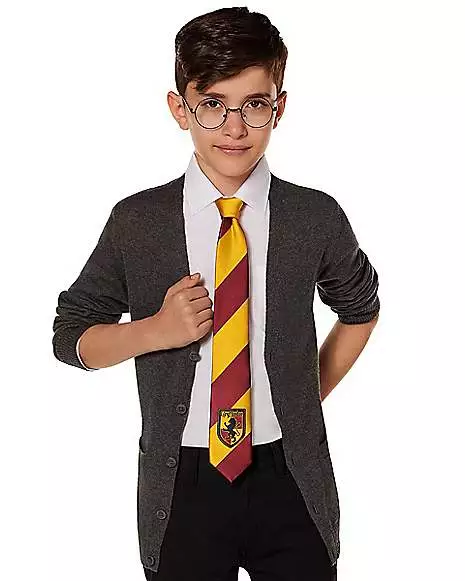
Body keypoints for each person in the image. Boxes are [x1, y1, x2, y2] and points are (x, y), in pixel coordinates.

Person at [52, 7, 380, 580]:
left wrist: (300, 400)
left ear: (279, 106)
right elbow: (70, 337)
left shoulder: (314, 217)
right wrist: (155, 331)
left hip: (290, 476)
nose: (234, 128)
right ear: (180, 108)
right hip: (183, 482)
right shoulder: (138, 222)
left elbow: (361, 309)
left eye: (254, 105)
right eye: (212, 105)